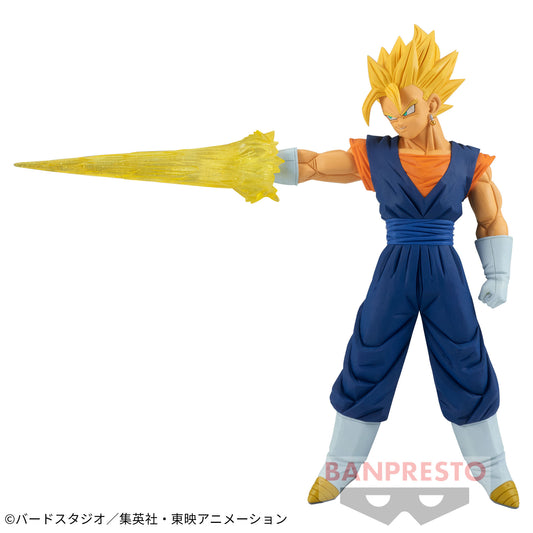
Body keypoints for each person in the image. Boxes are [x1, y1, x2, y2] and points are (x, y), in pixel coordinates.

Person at [275, 25, 518, 509]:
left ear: (433, 103)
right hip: (395, 269)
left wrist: (499, 273)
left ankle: (494, 470)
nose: (396, 122)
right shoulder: (378, 155)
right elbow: (317, 165)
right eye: (388, 114)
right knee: (368, 354)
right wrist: (257, 165)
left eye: (405, 111)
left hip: (446, 271)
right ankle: (338, 468)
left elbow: (490, 217)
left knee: (466, 358)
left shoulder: (469, 162)